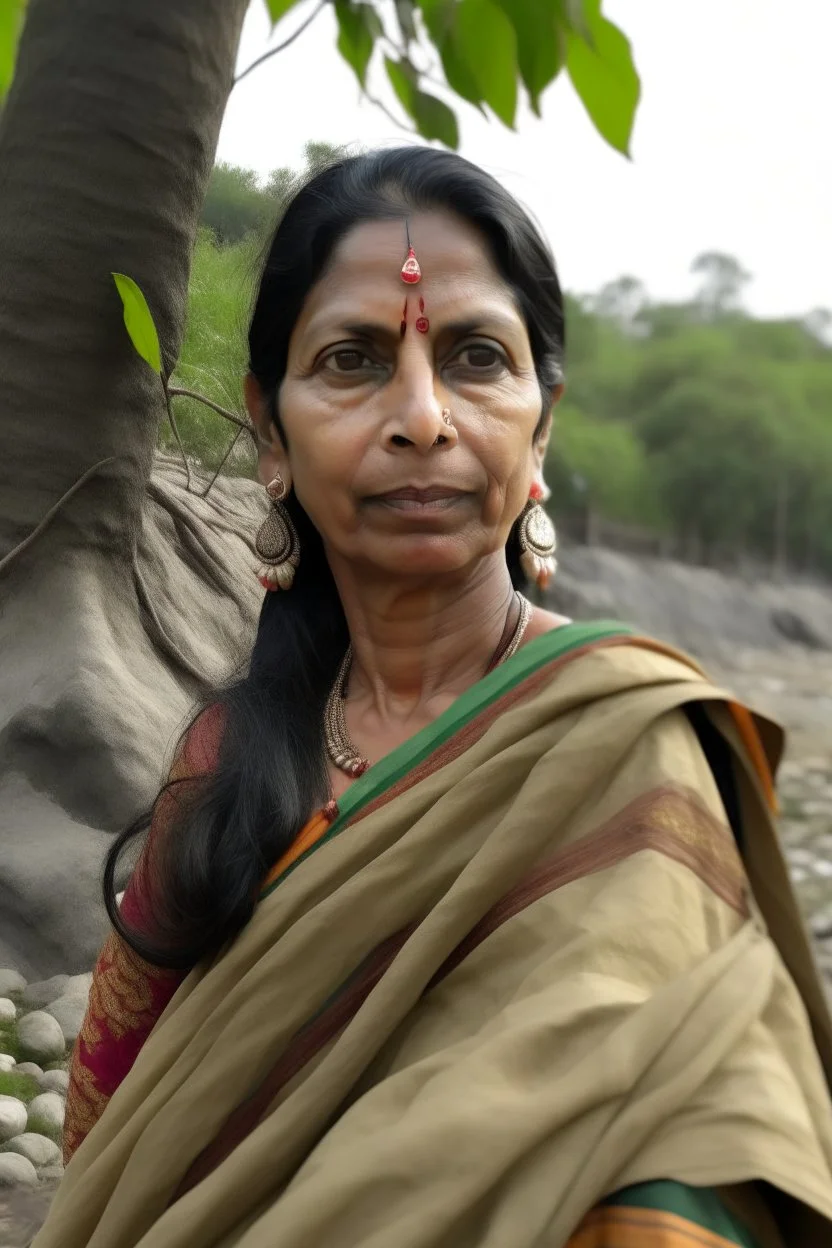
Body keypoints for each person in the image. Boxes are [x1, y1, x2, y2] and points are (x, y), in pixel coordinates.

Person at [37, 148, 832, 1248]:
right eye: (354, 360)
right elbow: (113, 1155)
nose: (422, 417)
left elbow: (704, 1146)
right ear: (270, 431)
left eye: (473, 358)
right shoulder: (226, 761)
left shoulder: (624, 752)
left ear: (541, 421)